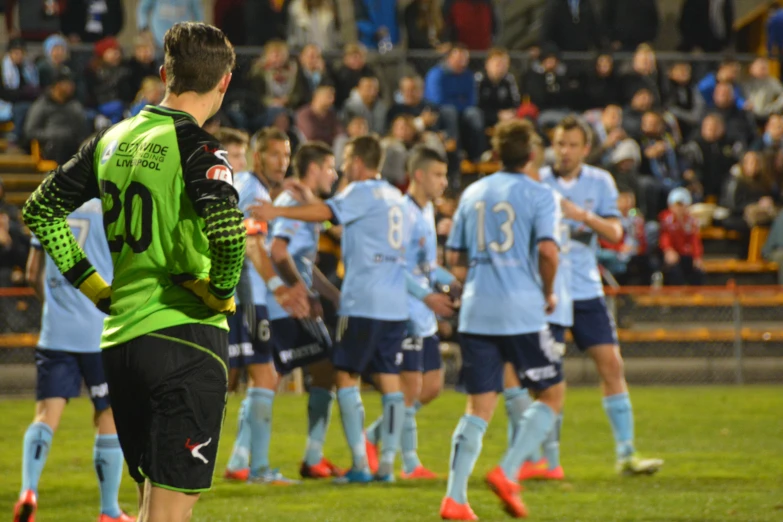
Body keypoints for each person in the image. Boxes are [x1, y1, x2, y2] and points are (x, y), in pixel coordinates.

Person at [22, 22, 246, 522]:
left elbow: (39, 210)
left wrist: (97, 289)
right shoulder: (203, 149)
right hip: (185, 339)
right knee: (168, 513)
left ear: (165, 73)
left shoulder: (110, 139)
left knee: (151, 505)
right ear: (224, 82)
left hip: (122, 341)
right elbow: (230, 235)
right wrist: (220, 291)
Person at [251, 135, 411, 483]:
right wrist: (308, 290)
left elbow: (327, 216)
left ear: (356, 162)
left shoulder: (352, 195)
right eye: (328, 167)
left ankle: (352, 465)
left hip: (364, 298)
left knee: (335, 374)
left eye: (341, 163)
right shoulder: (396, 197)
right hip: (393, 302)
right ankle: (382, 467)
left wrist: (276, 210)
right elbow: (285, 247)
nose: (337, 171)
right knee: (381, 380)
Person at [440, 119, 563, 521]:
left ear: (495, 153)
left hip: (477, 310)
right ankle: (508, 472)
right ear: (530, 155)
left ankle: (455, 499)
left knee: (478, 407)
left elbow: (455, 259)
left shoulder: (473, 192)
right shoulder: (540, 194)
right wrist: (547, 291)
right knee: (552, 393)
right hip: (521, 308)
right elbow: (548, 251)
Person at [541, 116, 663, 475]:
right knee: (547, 376)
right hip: (547, 292)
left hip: (585, 289)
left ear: (586, 149)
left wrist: (581, 215)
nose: (564, 151)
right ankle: (549, 461)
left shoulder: (600, 181)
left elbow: (615, 233)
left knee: (611, 365)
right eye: (560, 143)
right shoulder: (539, 182)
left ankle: (626, 454)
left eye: (572, 145)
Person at [14, 199, 134, 522]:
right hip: (99, 332)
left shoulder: (50, 207)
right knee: (108, 415)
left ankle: (29, 489)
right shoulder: (113, 210)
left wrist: (55, 306)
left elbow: (31, 274)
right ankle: (109, 510)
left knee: (46, 415)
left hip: (55, 333)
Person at [222, 127, 309, 485]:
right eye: (275, 154)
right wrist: (279, 288)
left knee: (263, 377)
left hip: (249, 296)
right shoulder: (251, 189)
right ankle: (255, 468)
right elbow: (252, 243)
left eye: (287, 155)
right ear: (258, 156)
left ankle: (245, 462)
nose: (282, 162)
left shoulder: (253, 187)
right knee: (248, 379)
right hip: (245, 297)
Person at [365, 146, 457, 480]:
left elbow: (427, 266)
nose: (443, 182)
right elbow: (395, 267)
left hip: (424, 311)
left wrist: (453, 282)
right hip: (404, 309)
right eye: (437, 174)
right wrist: (427, 295)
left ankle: (373, 436)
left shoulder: (427, 210)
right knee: (410, 388)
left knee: (432, 386)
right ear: (418, 175)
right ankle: (408, 462)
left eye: (444, 175)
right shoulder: (401, 212)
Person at [266, 142, 344, 478]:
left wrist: (329, 292)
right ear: (313, 168)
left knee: (269, 376)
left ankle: (247, 459)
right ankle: (311, 457)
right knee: (327, 369)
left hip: (285, 303)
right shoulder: (292, 203)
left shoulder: (306, 207)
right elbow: (278, 250)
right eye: (330, 167)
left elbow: (301, 260)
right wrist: (301, 292)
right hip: (288, 306)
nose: (335, 174)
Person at [658, 188, 704, 286]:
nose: (679, 209)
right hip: (672, 255)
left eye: (682, 205)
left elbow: (694, 240)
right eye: (677, 205)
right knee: (672, 268)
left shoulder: (691, 221)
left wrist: (697, 257)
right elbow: (665, 236)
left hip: (686, 255)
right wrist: (668, 250)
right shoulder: (666, 219)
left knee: (698, 271)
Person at [476, 48, 521, 129]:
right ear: (487, 64)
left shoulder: (509, 80)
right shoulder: (479, 79)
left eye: (504, 65)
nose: (501, 68)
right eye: (498, 64)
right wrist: (497, 115)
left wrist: (511, 112)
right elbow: (477, 104)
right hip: (485, 116)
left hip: (507, 116)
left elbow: (516, 102)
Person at [137, 0, 204, 49]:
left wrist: (197, 34)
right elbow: (142, 9)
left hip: (182, 44)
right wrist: (144, 29)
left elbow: (198, 14)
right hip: (158, 42)